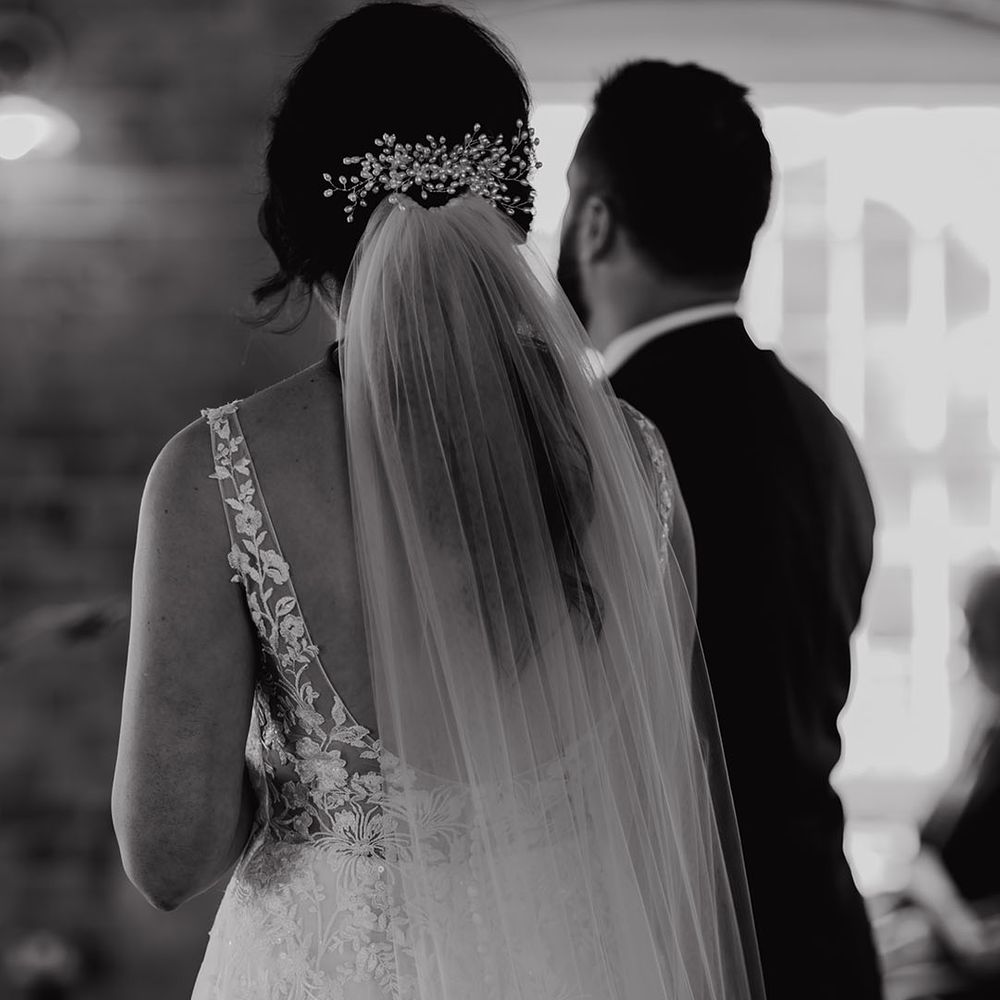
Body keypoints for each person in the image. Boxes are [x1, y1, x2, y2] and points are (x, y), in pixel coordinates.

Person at [111, 6, 765, 999]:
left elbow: (168, 855)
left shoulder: (218, 472)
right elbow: (650, 805)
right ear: (509, 204)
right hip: (576, 961)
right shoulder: (633, 458)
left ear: (300, 210)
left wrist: (296, 771)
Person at [557, 60, 881, 1000]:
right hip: (822, 941)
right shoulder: (826, 436)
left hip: (668, 948)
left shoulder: (588, 447)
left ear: (595, 220)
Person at [878, 566, 1000, 1000]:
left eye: (978, 628)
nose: (966, 644)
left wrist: (951, 926)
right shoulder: (983, 735)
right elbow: (928, 848)